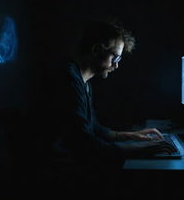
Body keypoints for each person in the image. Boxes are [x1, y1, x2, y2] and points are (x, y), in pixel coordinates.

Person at [53, 19, 176, 169]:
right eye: (115, 58)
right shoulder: (68, 80)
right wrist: (141, 148)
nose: (116, 65)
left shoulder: (83, 82)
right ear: (96, 50)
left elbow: (93, 127)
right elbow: (84, 143)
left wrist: (130, 136)